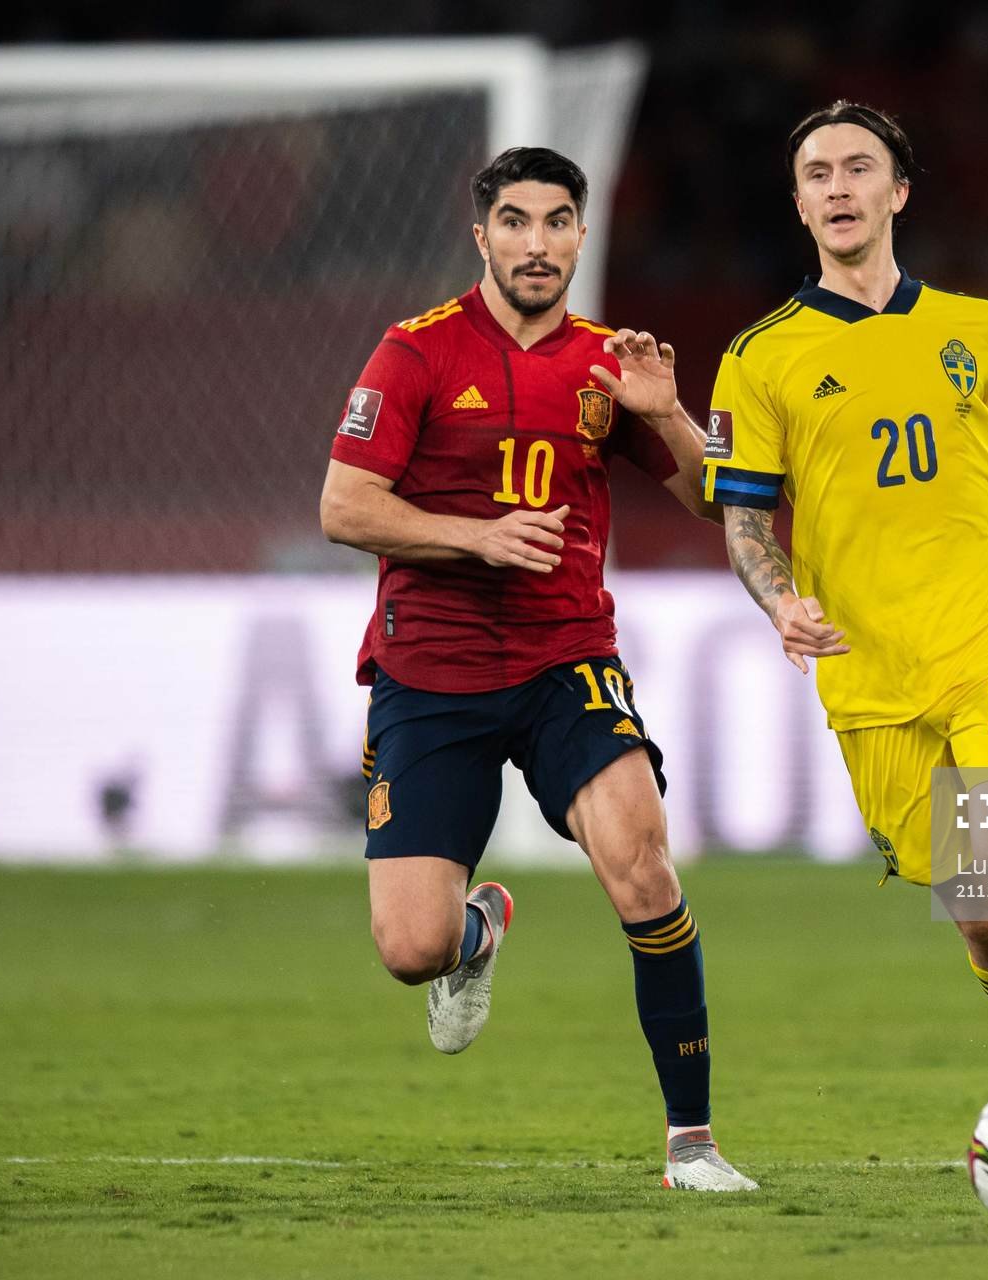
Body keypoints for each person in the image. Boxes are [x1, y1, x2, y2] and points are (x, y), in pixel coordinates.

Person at [701, 103, 988, 1192]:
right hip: (870, 672)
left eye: (859, 166)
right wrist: (779, 603)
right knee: (984, 918)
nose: (837, 186)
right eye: (816, 171)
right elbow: (743, 519)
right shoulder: (761, 357)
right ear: (799, 202)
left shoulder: (980, 328)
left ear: (899, 191)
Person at [319, 146, 754, 1192]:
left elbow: (714, 500)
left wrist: (668, 411)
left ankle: (690, 1142)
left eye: (558, 222)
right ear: (483, 237)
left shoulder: (611, 361)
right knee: (409, 946)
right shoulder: (413, 353)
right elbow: (343, 506)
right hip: (431, 671)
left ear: (581, 235)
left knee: (644, 864)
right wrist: (478, 537)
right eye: (515, 222)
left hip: (568, 658)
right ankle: (476, 928)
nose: (537, 243)